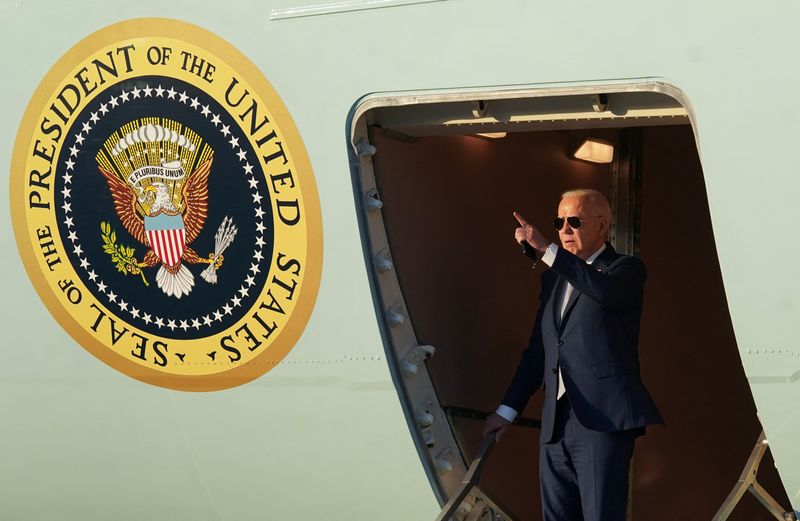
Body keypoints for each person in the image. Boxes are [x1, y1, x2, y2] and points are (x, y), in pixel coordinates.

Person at [483, 189, 662, 521]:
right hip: (555, 423)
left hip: (601, 421)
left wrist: (547, 251)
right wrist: (507, 411)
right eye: (559, 221)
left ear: (602, 225)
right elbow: (539, 350)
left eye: (574, 221)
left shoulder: (625, 269)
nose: (564, 229)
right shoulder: (553, 279)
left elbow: (602, 293)